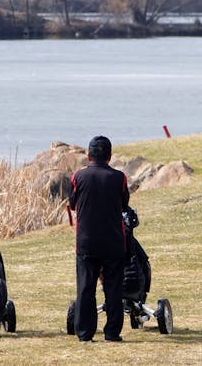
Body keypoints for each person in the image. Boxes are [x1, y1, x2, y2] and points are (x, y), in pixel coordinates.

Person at [70, 136, 130, 342]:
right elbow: (124, 205)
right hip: (114, 241)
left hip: (86, 242)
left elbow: (72, 203)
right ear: (110, 156)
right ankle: (112, 333)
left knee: (86, 288)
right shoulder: (119, 178)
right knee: (113, 288)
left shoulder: (78, 177)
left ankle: (85, 333)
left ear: (88, 156)